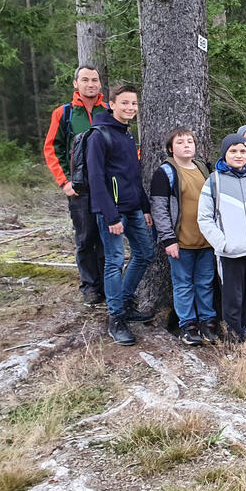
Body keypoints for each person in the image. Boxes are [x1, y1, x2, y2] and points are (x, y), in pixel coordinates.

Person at [87, 85, 155, 345]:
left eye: (134, 104)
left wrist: (145, 207)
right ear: (112, 104)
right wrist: (111, 216)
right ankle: (116, 319)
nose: (130, 108)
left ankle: (124, 302)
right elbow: (95, 179)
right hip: (111, 213)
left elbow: (134, 176)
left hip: (134, 208)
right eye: (125, 103)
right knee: (114, 262)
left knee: (145, 253)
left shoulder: (126, 134)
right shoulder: (99, 135)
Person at [43, 64, 107, 305]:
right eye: (85, 80)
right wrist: (64, 182)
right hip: (79, 187)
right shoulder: (65, 113)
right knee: (85, 237)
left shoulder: (108, 111)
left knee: (106, 236)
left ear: (100, 84)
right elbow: (51, 148)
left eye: (94, 80)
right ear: (75, 83)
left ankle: (107, 284)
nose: (90, 84)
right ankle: (90, 286)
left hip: (106, 187)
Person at [198, 134, 246, 341]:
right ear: (225, 154)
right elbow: (204, 218)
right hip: (231, 253)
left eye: (242, 151)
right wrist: (223, 244)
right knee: (233, 301)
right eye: (233, 151)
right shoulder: (214, 181)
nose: (239, 155)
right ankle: (235, 340)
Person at [150, 128, 216, 346]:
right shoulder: (165, 172)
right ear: (171, 148)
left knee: (205, 282)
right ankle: (188, 324)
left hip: (206, 240)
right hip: (180, 242)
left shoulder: (203, 169)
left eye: (190, 141)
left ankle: (208, 321)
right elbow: (159, 209)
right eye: (180, 142)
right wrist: (168, 239)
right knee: (183, 284)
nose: (187, 145)